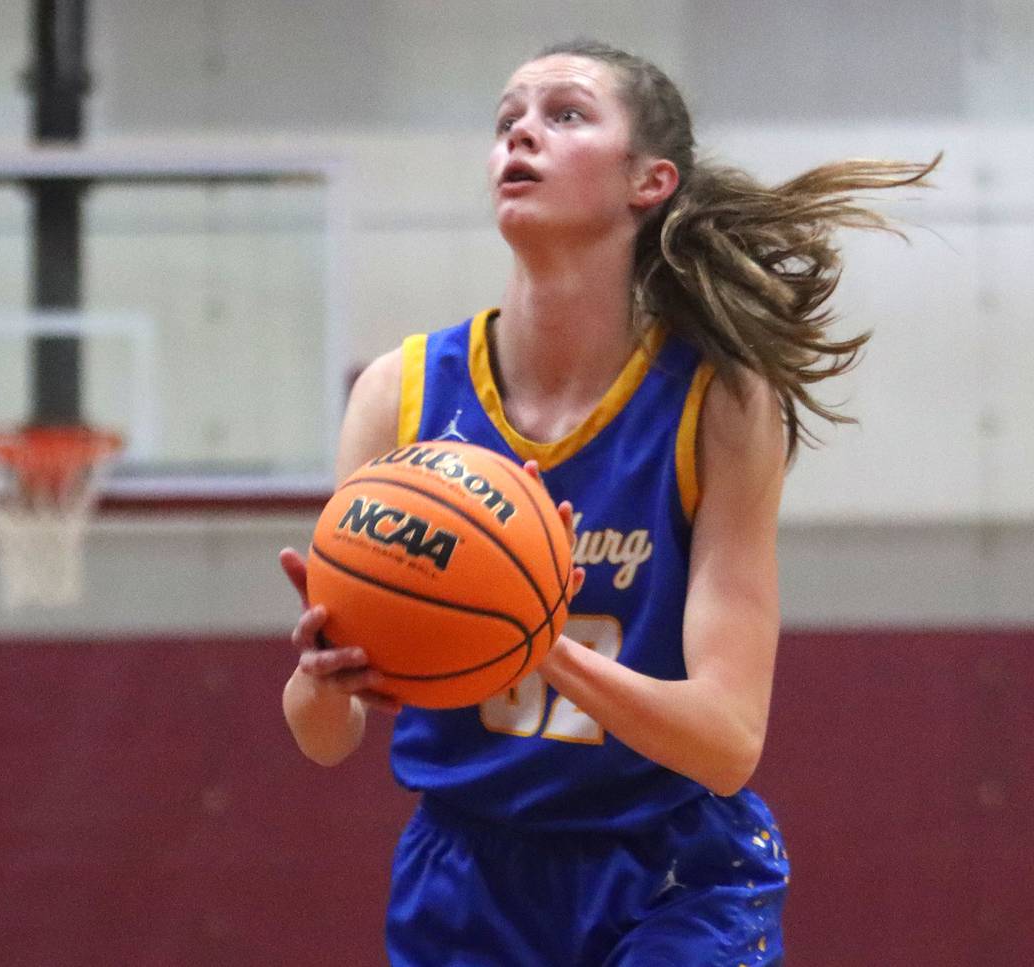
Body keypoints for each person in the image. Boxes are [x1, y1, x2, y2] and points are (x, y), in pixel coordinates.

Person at [279, 39, 936, 967]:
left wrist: (534, 634)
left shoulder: (720, 402)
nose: (522, 135)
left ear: (650, 179)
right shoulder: (400, 396)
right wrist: (317, 679)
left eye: (565, 115)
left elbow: (727, 743)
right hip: (462, 868)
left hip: (674, 868)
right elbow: (327, 739)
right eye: (508, 119)